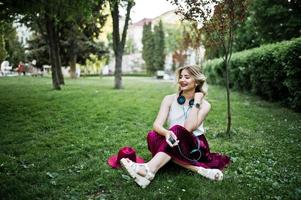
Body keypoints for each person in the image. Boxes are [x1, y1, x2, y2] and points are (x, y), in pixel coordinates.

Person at [120, 65, 230, 188]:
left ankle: (148, 169)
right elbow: (157, 125)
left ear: (197, 81)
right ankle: (198, 170)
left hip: (194, 146)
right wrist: (167, 133)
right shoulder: (169, 99)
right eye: (181, 77)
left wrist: (197, 102)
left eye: (187, 77)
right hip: (172, 140)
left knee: (177, 129)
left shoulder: (205, 105)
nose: (182, 80)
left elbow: (188, 128)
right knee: (152, 135)